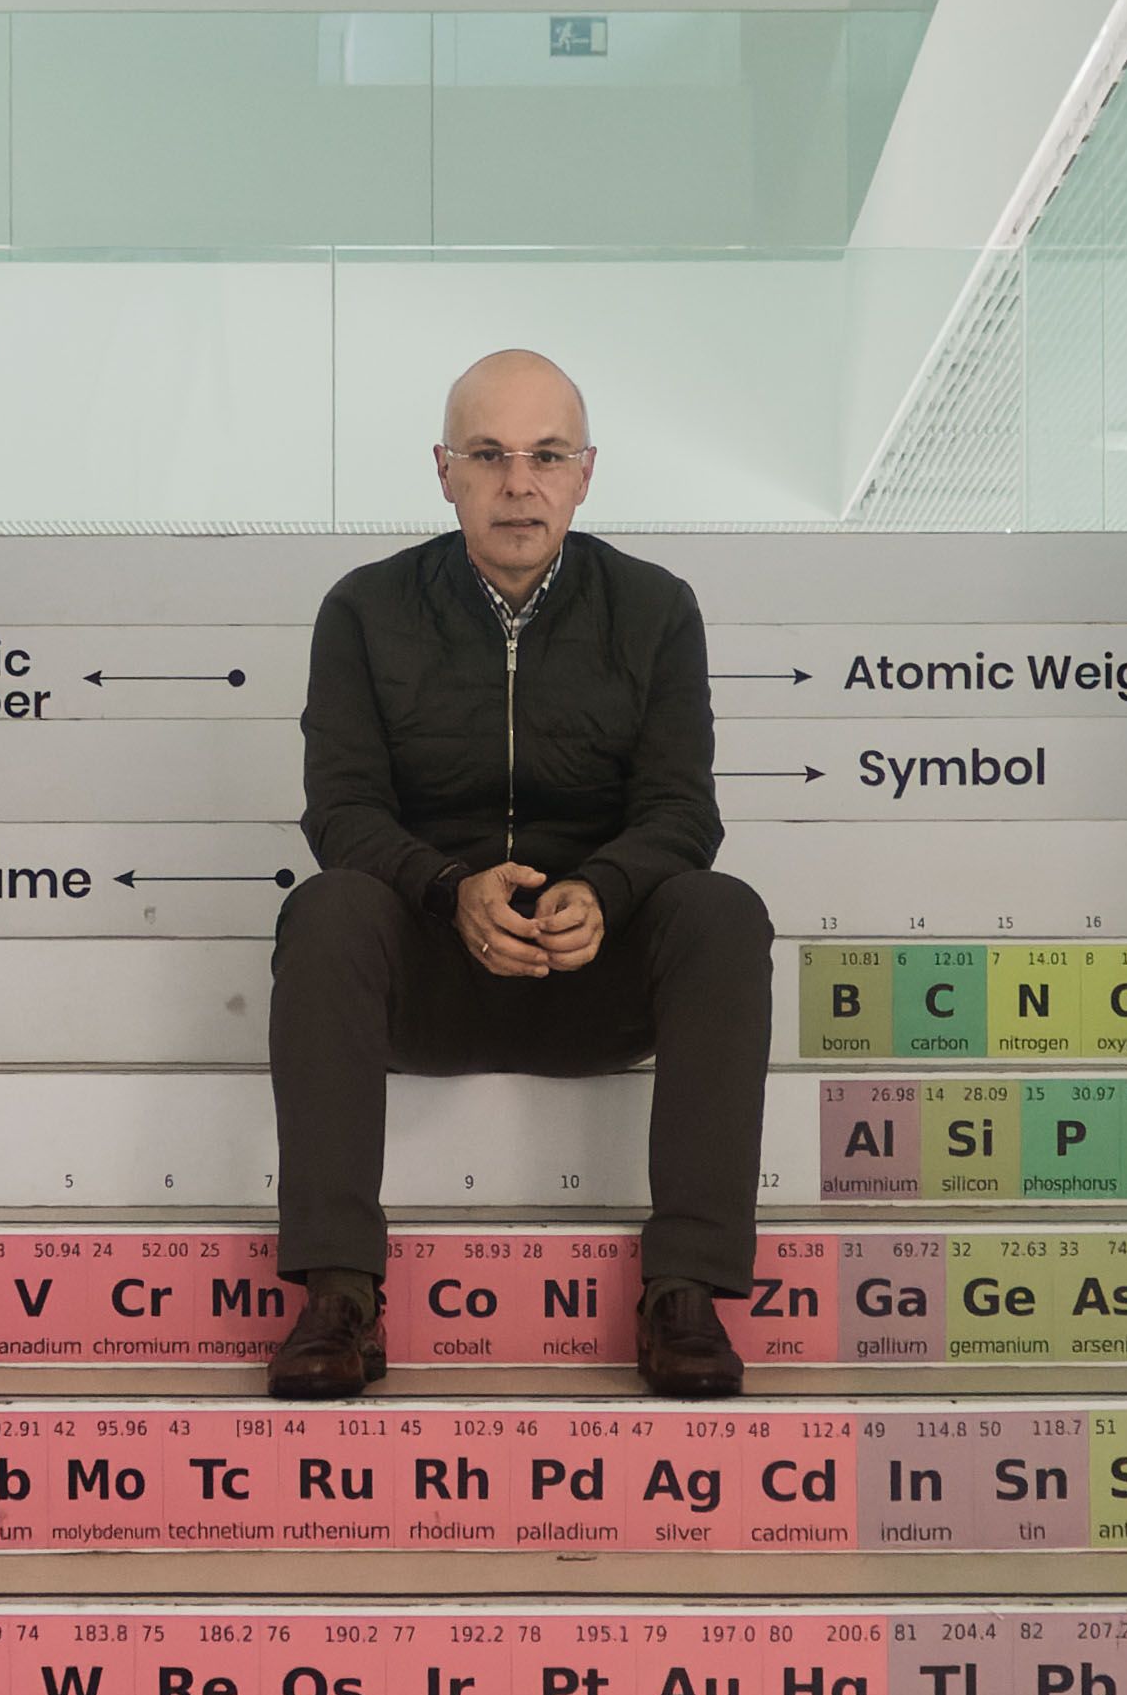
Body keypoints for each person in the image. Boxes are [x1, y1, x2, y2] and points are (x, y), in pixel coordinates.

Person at [263, 350, 772, 1402]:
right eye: (489, 455)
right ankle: (340, 1293)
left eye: (546, 456)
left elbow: (683, 811)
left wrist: (608, 890)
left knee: (722, 912)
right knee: (323, 911)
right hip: (430, 969)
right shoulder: (362, 610)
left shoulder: (656, 607)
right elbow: (341, 811)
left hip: (598, 973)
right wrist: (452, 888)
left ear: (586, 473)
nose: (518, 483)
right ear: (443, 470)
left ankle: (685, 1290)